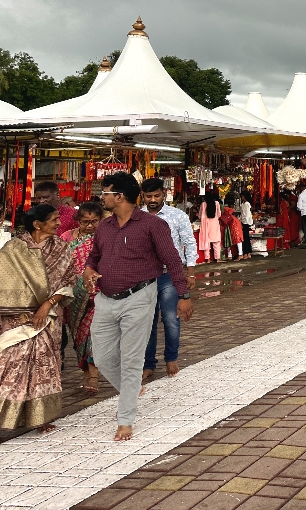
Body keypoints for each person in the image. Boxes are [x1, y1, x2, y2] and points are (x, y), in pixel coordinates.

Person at [82, 172, 192, 441]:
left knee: (132, 360)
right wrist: (88, 271)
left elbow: (173, 261)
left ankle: (125, 420)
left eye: (105, 192)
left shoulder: (153, 225)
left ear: (119, 196)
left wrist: (183, 294)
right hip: (106, 298)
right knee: (103, 356)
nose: (102, 197)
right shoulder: (105, 227)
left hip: (140, 297)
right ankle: (130, 388)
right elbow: (94, 257)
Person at [0, 205, 76, 431]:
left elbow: (68, 282)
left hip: (48, 318)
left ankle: (40, 418)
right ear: (37, 224)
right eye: (53, 219)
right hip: (17, 320)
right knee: (8, 366)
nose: (59, 223)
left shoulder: (61, 248)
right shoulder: (13, 249)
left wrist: (47, 304)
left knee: (43, 367)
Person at [140, 178, 198, 382]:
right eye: (149, 196)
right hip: (145, 276)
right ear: (143, 196)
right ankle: (148, 364)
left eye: (156, 195)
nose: (153, 200)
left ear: (164, 193)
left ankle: (171, 358)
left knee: (171, 318)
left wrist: (190, 273)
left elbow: (189, 243)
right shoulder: (137, 216)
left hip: (169, 274)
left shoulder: (177, 215)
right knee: (147, 321)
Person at [60, 201, 103, 392]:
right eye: (86, 221)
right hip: (73, 297)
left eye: (94, 221)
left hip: (98, 293)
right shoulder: (65, 238)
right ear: (77, 220)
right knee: (79, 336)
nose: (90, 226)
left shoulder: (103, 238)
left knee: (93, 333)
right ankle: (85, 373)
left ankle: (93, 377)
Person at [198, 189, 223, 262]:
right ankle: (217, 258)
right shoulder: (217, 203)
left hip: (206, 224)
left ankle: (207, 259)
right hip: (215, 224)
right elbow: (219, 214)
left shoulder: (203, 204)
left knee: (207, 242)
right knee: (216, 242)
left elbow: (200, 215)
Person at [221, 194, 245, 260]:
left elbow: (232, 210)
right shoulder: (222, 208)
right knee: (229, 238)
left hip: (232, 223)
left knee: (236, 238)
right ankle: (230, 255)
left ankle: (240, 254)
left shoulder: (223, 208)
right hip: (230, 223)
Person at [238, 191, 254, 259]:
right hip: (244, 222)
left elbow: (247, 215)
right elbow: (242, 214)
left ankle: (247, 252)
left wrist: (244, 222)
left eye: (242, 196)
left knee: (246, 238)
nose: (242, 198)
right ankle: (247, 252)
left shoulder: (247, 204)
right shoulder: (243, 204)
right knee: (246, 238)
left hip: (246, 223)